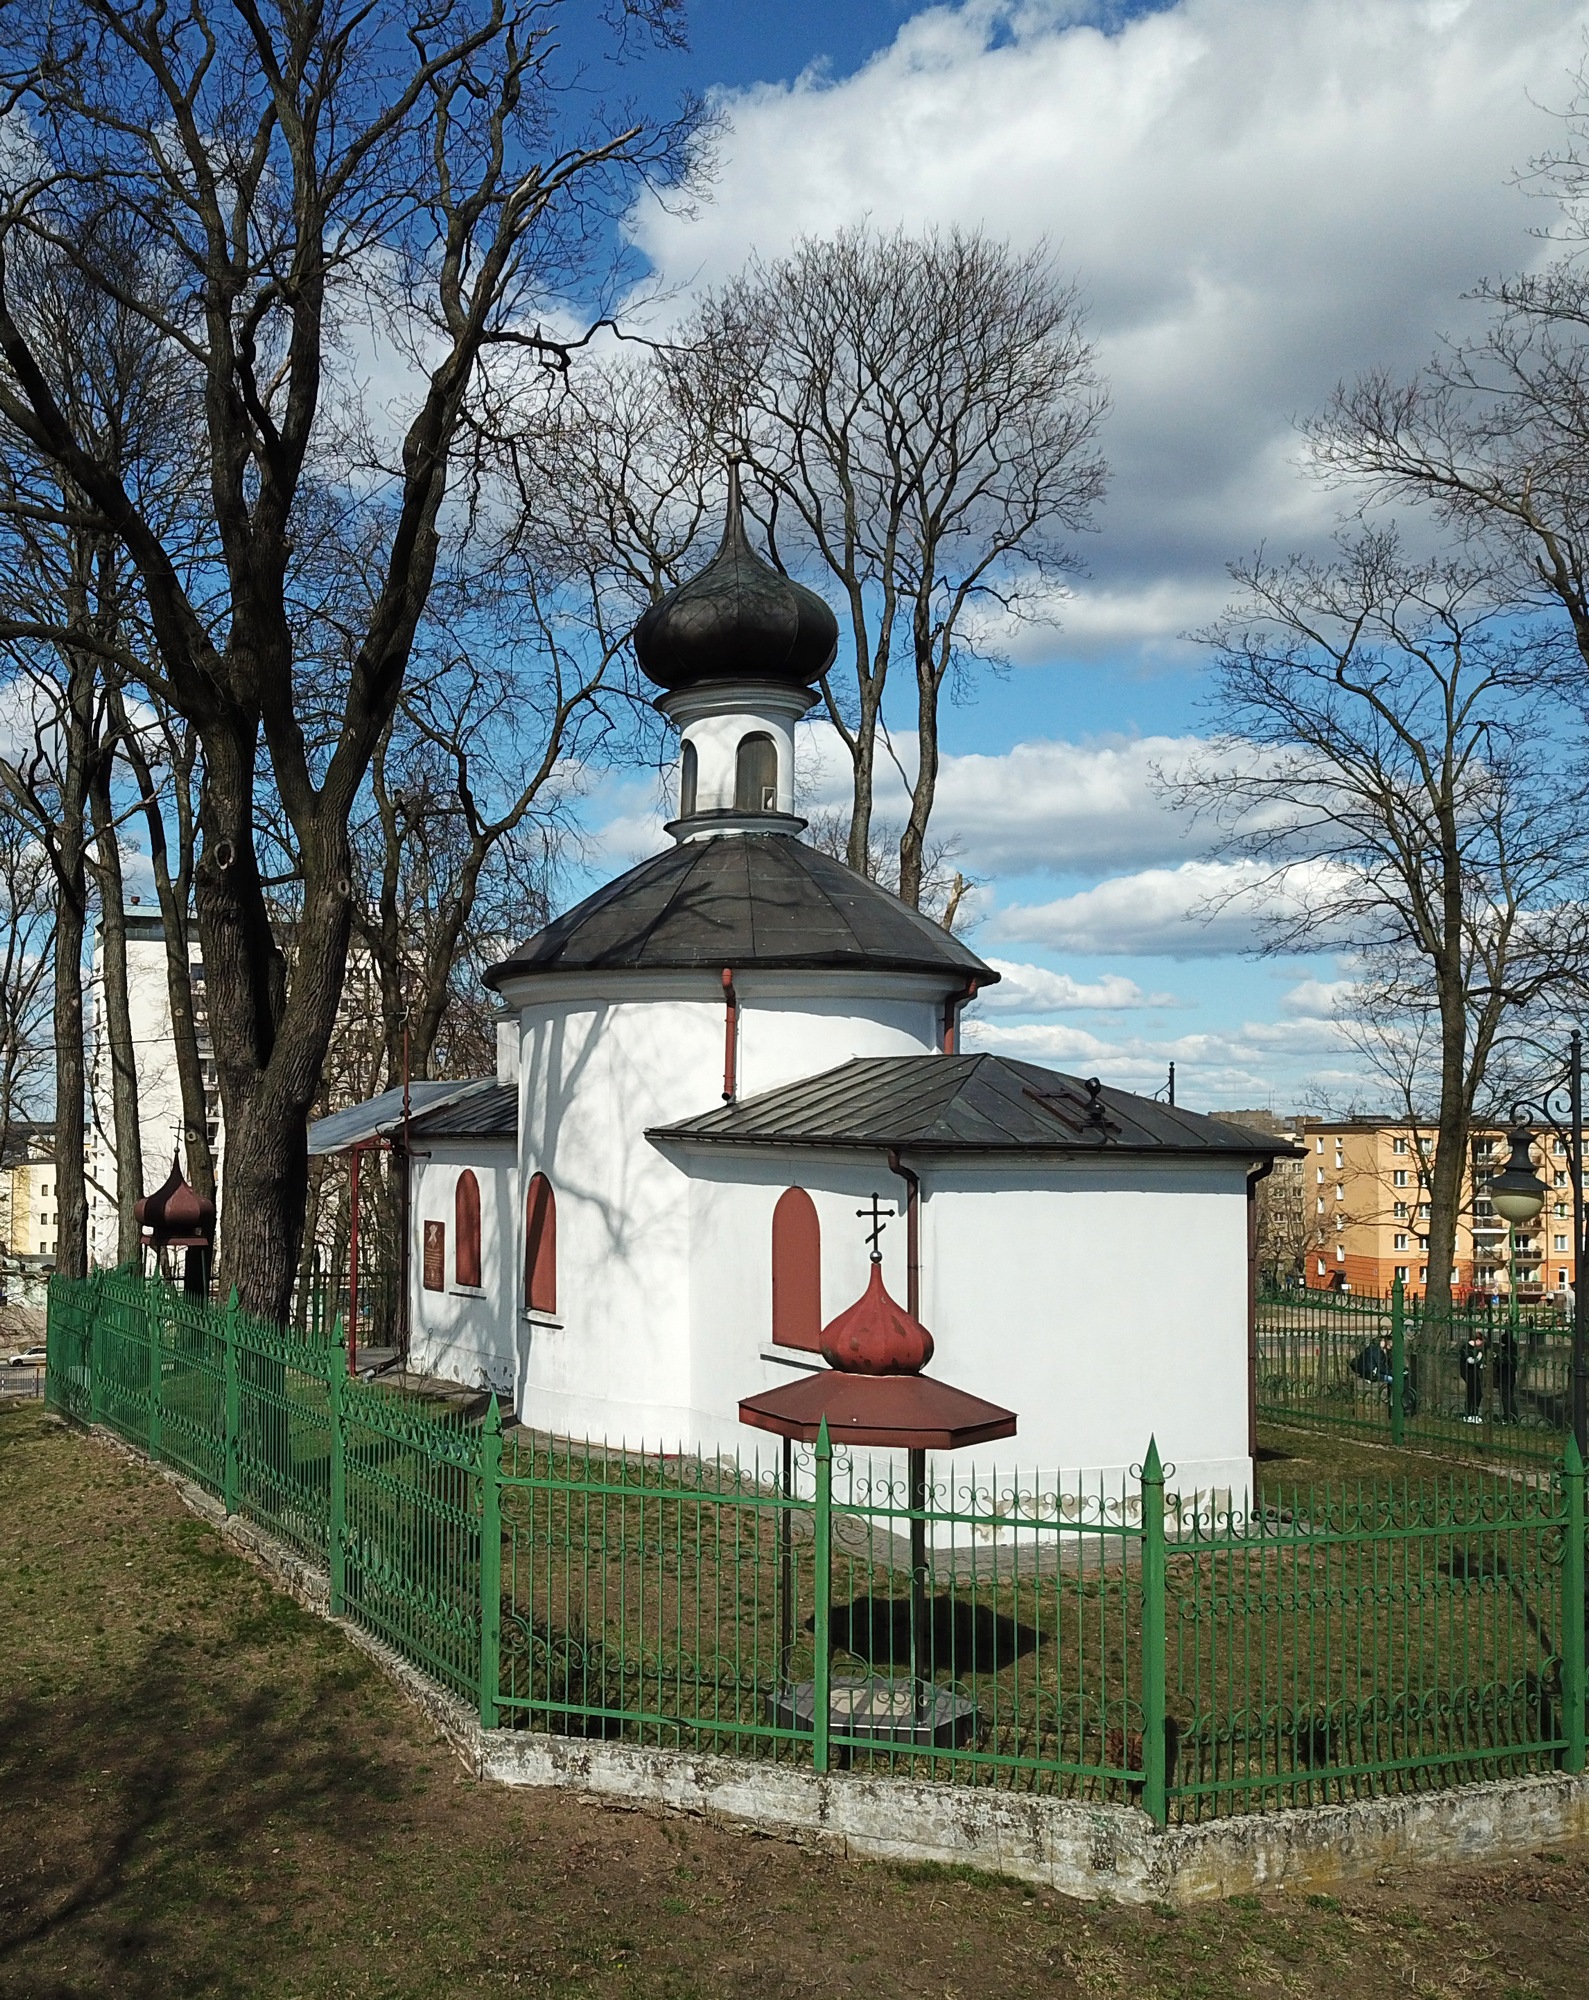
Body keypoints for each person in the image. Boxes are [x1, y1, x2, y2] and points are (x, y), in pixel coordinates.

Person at [1459, 1324, 1488, 1424]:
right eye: (1481, 1343)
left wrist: (1482, 1365)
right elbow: (1470, 1360)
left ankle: (1474, 1413)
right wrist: (1479, 1357)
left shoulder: (1477, 1349)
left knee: (1478, 1394)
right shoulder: (1465, 1347)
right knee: (1472, 1393)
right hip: (1468, 1373)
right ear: (1478, 1340)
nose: (1481, 1345)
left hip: (1475, 1373)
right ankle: (1469, 1414)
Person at [1493, 1322, 1520, 1424]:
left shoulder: (1507, 1353)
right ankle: (1513, 1416)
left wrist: (1496, 1358)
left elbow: (1500, 1363)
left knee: (1506, 1398)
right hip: (1511, 1377)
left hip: (1504, 1378)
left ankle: (1509, 1416)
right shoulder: (1513, 1351)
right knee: (1510, 1397)